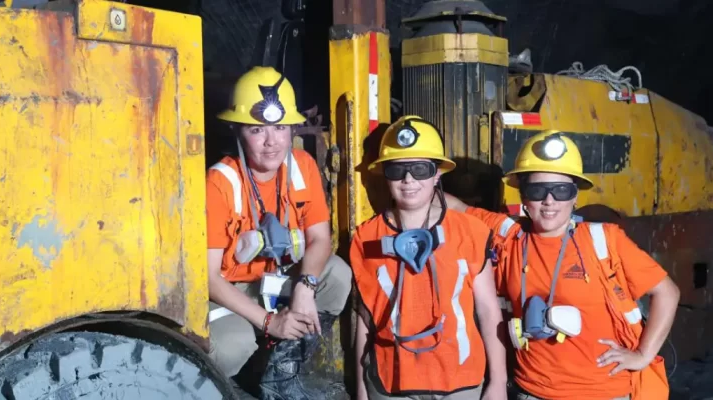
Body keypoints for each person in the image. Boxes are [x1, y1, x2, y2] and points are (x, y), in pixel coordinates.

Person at [445, 130, 680, 400]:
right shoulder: (509, 236)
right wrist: (416, 177)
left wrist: (642, 355)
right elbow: (453, 208)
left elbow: (667, 292)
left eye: (561, 190)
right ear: (523, 197)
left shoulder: (604, 240)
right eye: (537, 190)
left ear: (575, 197)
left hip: (603, 392)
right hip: (531, 391)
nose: (549, 200)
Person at [205, 66, 352, 400]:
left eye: (280, 128)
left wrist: (306, 287)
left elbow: (320, 239)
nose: (271, 141)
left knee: (337, 276)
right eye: (257, 130)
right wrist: (269, 323)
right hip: (233, 290)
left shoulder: (302, 166)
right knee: (230, 347)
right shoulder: (219, 183)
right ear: (237, 130)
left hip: (278, 279)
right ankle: (239, 383)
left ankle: (284, 371)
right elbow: (209, 277)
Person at [349, 115, 508, 400]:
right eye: (397, 169)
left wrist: (497, 383)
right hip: (392, 379)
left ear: (437, 173)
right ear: (384, 173)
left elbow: (488, 309)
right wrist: (361, 389)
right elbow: (365, 319)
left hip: (459, 378)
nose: (408, 179)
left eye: (420, 169)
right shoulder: (366, 237)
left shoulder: (470, 231)